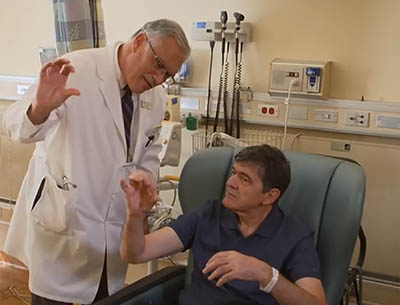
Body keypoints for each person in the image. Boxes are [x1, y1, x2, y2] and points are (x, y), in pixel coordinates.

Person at [2, 19, 190, 305]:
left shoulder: (156, 95)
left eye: (169, 74)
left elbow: (148, 154)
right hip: (65, 220)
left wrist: (144, 201)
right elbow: (14, 126)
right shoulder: (75, 70)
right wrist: (40, 108)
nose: (160, 77)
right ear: (139, 41)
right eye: (158, 64)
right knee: (52, 299)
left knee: (106, 297)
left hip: (113, 226)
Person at [120, 145, 328, 305]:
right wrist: (136, 216)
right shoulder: (209, 214)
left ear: (270, 196)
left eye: (244, 179)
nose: (231, 183)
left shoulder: (294, 236)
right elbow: (137, 253)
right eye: (234, 172)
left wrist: (266, 274)